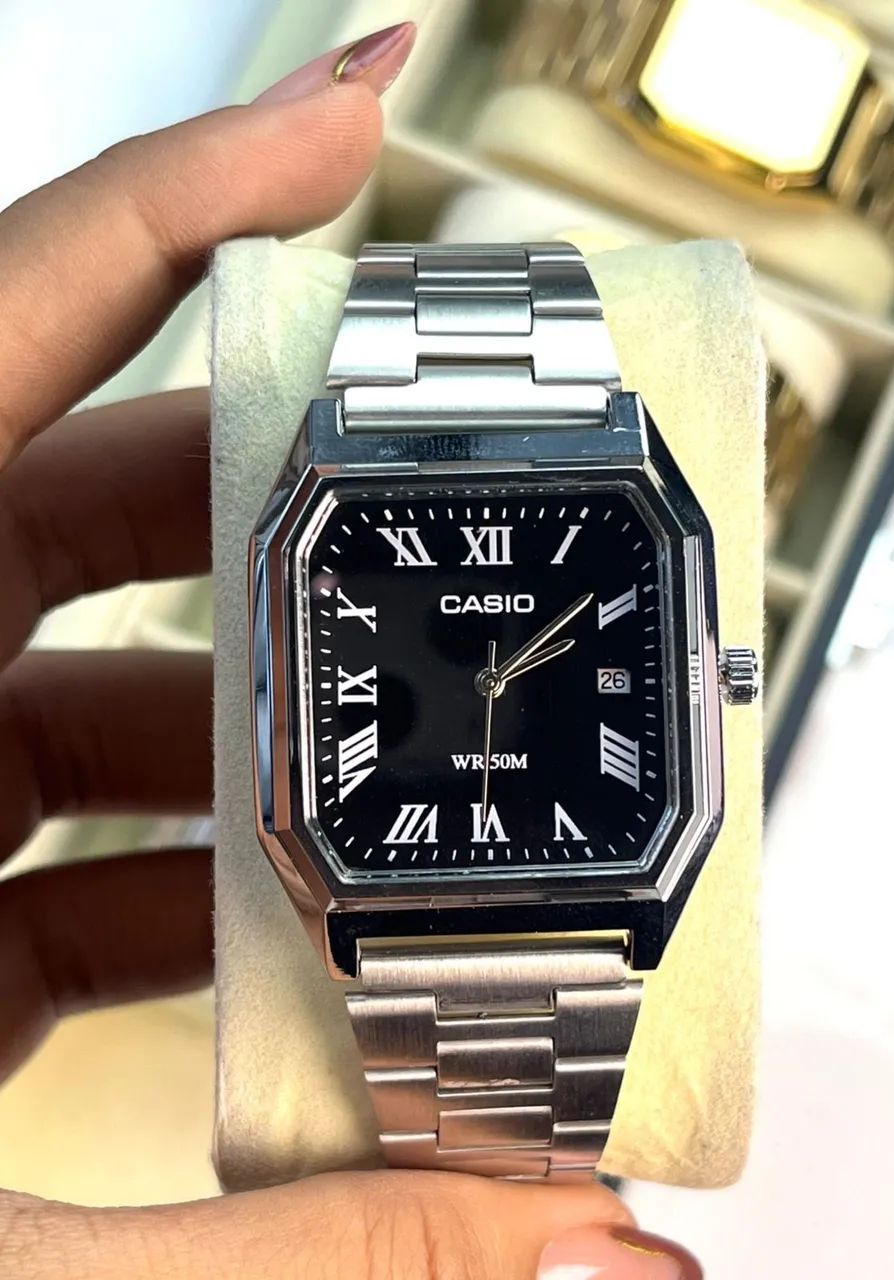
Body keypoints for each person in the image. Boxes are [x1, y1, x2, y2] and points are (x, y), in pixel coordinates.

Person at [0, 22, 701, 1279]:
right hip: (385, 881)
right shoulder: (609, 548)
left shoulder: (629, 536)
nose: (492, 678)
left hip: (552, 883)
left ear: (714, 677)